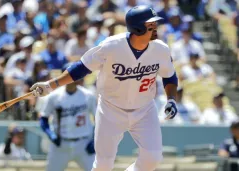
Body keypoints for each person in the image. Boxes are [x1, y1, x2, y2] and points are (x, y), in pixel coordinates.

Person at [31, 5, 178, 171]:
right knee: (103, 165)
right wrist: (51, 85)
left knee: (153, 158)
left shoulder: (160, 49)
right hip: (111, 109)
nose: (156, 28)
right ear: (137, 28)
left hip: (144, 109)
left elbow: (169, 76)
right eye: (151, 25)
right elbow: (81, 67)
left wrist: (171, 99)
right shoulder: (112, 45)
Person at [39, 63, 96, 171]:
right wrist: (51, 135)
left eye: (75, 74)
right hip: (61, 144)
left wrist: (94, 140)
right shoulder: (54, 97)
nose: (73, 77)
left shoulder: (88, 96)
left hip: (83, 142)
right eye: (70, 74)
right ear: (63, 75)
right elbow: (43, 119)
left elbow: (100, 120)